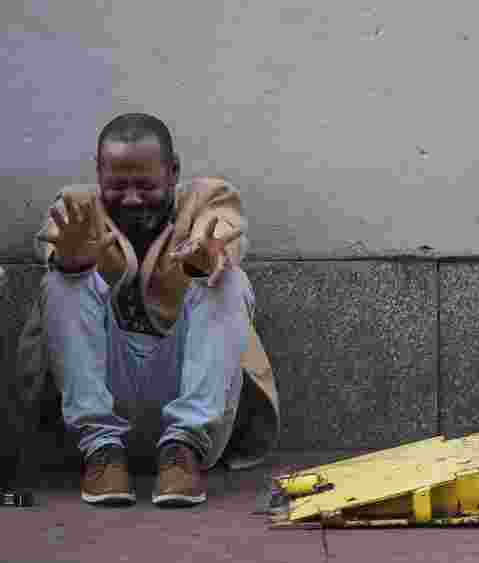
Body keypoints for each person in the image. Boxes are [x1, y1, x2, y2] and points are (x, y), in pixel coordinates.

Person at [14, 113, 280, 507]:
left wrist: (208, 257)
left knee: (229, 281)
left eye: (146, 185)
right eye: (118, 185)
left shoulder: (209, 199)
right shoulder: (77, 207)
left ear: (173, 173)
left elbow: (223, 233)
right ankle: (102, 453)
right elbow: (55, 244)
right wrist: (70, 261)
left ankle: (182, 451)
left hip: (190, 414)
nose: (132, 198)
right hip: (97, 415)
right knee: (61, 282)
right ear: (99, 173)